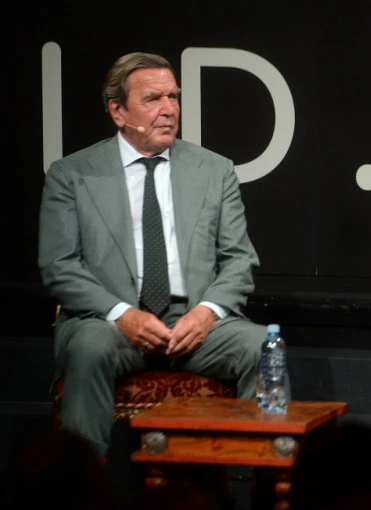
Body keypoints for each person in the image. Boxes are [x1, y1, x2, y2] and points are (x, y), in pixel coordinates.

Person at [38, 52, 266, 457]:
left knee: (261, 346)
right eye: (153, 99)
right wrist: (122, 314)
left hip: (193, 324)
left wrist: (206, 314)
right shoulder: (72, 174)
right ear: (118, 111)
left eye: (173, 97)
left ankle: (258, 479)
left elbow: (239, 260)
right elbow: (60, 266)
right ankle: (83, 480)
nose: (169, 109)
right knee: (89, 347)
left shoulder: (214, 170)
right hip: (108, 324)